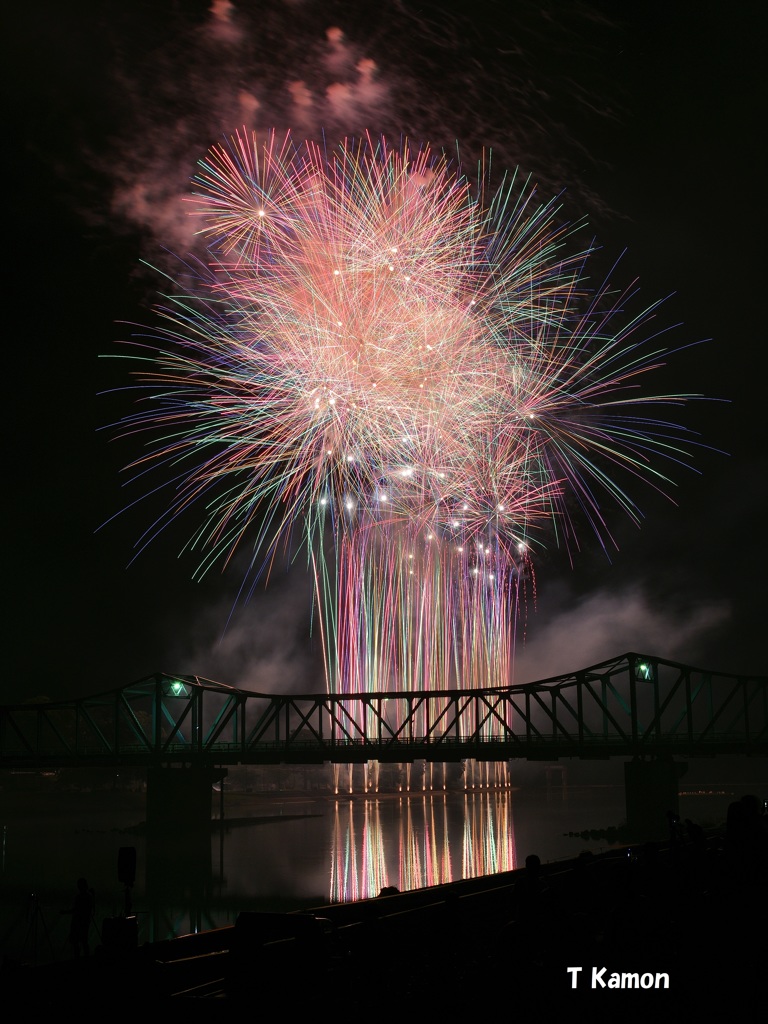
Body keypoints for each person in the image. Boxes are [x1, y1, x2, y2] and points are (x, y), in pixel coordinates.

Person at [68, 877, 95, 957]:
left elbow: (76, 909)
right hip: (85, 922)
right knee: (84, 941)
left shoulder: (80, 897)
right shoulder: (89, 896)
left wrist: (66, 912)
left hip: (78, 922)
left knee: (78, 942)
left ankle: (78, 958)